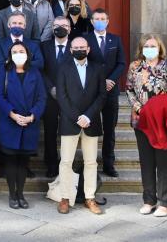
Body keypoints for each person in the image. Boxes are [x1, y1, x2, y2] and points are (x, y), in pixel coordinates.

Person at [126, 34, 167, 218]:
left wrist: (157, 110)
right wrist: (139, 108)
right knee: (147, 161)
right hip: (141, 120)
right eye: (146, 45)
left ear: (159, 47)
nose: (150, 48)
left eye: (153, 45)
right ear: (141, 48)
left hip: (163, 121)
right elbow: (129, 89)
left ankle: (164, 202)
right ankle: (149, 200)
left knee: (163, 161)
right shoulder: (134, 67)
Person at [55, 37, 107, 215]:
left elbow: (102, 96)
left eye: (82, 47)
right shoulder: (63, 68)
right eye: (75, 47)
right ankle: (65, 198)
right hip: (70, 122)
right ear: (70, 50)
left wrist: (88, 115)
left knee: (91, 162)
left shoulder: (98, 69)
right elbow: (61, 96)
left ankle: (89, 198)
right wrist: (77, 117)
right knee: (66, 161)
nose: (79, 49)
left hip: (91, 122)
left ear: (88, 49)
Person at [0, 41, 46, 209]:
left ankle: (21, 194)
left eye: (21, 51)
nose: (18, 53)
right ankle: (12, 194)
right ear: (10, 55)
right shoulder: (5, 71)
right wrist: (12, 114)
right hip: (9, 123)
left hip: (29, 124)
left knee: (23, 162)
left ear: (27, 53)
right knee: (10, 162)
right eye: (14, 51)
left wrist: (33, 116)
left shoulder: (35, 72)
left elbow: (42, 97)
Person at [85, 8, 127, 177]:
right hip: (92, 92)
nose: (100, 21)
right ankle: (90, 163)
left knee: (110, 129)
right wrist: (99, 82)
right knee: (92, 129)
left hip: (111, 91)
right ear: (92, 21)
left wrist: (111, 80)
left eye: (103, 18)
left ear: (108, 21)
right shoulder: (85, 40)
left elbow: (121, 63)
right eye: (97, 18)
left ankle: (109, 164)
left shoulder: (115, 40)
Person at [39, 16, 73, 177]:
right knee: (50, 131)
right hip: (49, 95)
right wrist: (51, 88)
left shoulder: (76, 47)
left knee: (68, 132)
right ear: (52, 28)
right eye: (57, 25)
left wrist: (65, 90)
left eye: (64, 25)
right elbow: (41, 70)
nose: (61, 28)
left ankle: (67, 164)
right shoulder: (44, 46)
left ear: (70, 29)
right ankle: (51, 163)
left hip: (70, 96)